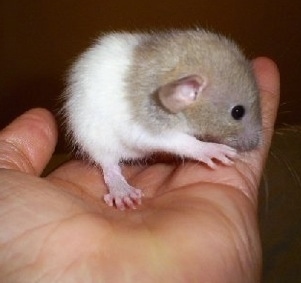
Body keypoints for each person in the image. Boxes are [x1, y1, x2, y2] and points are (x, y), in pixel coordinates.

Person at [0, 57, 279, 282]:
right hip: (107, 137)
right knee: (113, 146)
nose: (251, 138)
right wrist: (198, 149)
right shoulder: (150, 93)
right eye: (238, 114)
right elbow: (143, 133)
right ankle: (112, 172)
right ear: (188, 90)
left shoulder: (178, 87)